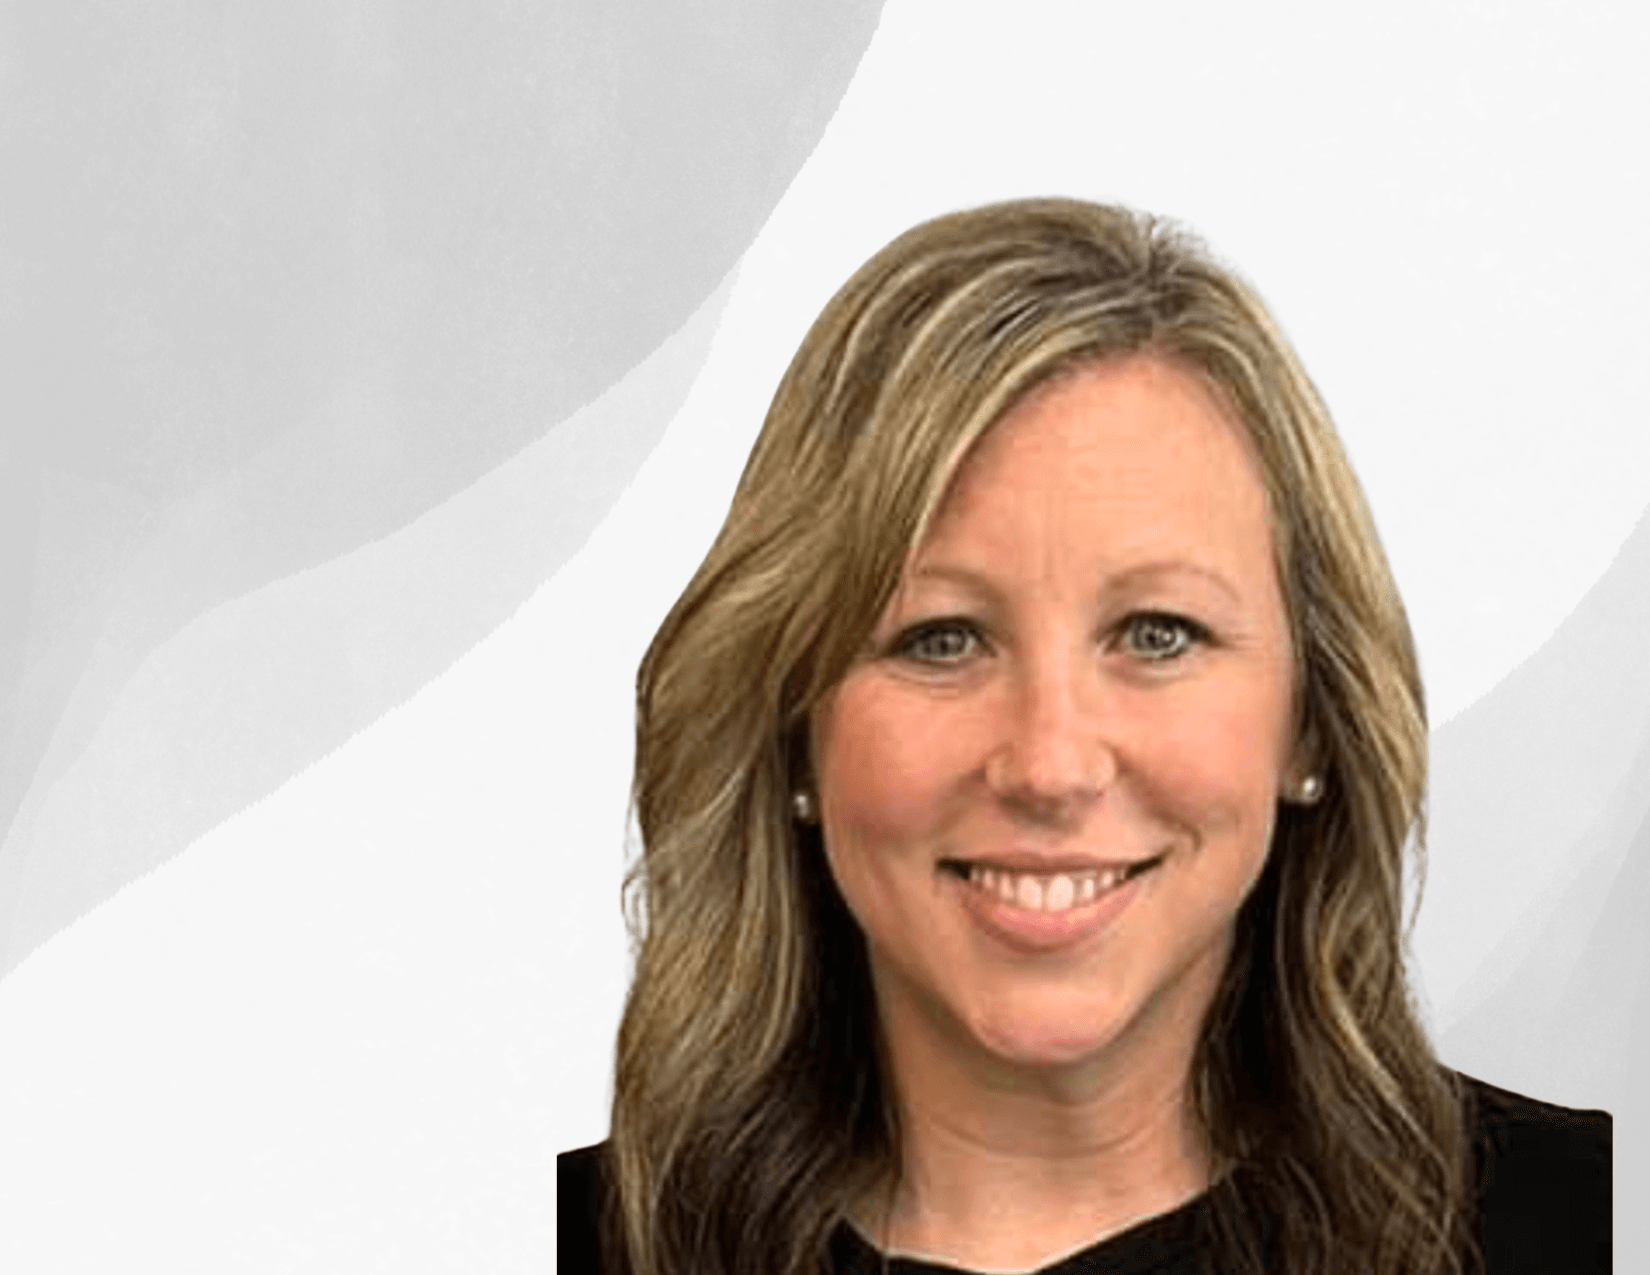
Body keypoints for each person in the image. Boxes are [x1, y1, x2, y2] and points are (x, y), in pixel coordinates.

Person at [557, 199, 1611, 1275]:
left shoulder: (1587, 1228)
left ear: (1309, 726)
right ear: (791, 736)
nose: (1050, 766)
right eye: (941, 640)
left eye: (1158, 634)